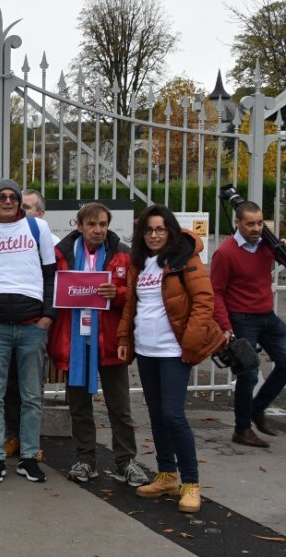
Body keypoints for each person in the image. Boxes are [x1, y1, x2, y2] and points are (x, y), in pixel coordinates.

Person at [117, 205, 227, 513]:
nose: (154, 235)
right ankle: (166, 474)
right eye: (149, 230)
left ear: (171, 231)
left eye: (160, 229)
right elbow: (130, 305)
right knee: (155, 413)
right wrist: (125, 338)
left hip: (173, 350)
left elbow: (205, 301)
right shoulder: (141, 262)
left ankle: (191, 483)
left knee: (173, 415)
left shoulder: (185, 259)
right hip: (146, 350)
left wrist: (190, 343)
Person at [48, 203, 147, 487]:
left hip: (110, 341)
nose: (98, 230)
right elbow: (50, 289)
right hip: (75, 341)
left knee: (120, 407)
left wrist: (117, 293)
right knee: (79, 407)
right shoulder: (61, 255)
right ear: (79, 226)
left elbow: (137, 294)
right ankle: (85, 460)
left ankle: (126, 461)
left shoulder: (123, 254)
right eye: (91, 224)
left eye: (103, 224)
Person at [0, 179, 57, 485]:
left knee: (32, 396)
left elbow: (50, 275)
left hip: (32, 327)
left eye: (12, 197)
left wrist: (47, 316)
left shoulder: (37, 229)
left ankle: (29, 457)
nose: (7, 201)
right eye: (0, 197)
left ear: (19, 202)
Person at [210, 200, 286, 447]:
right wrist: (225, 326)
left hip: (267, 316)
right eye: (250, 223)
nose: (256, 228)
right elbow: (217, 291)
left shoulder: (268, 247)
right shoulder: (226, 252)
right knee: (248, 373)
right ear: (237, 223)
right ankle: (241, 429)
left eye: (260, 223)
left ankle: (258, 408)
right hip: (242, 319)